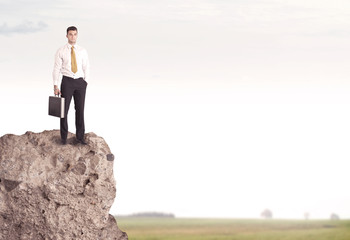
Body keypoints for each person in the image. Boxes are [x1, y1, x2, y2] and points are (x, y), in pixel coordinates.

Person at [52, 26, 90, 145]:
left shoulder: (82, 50)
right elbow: (56, 69)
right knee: (64, 111)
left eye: (74, 34)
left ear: (77, 35)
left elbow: (86, 67)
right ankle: (63, 138)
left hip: (80, 82)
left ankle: (80, 137)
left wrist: (85, 81)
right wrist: (55, 85)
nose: (73, 36)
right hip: (67, 82)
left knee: (80, 110)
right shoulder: (61, 50)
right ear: (67, 36)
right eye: (70, 34)